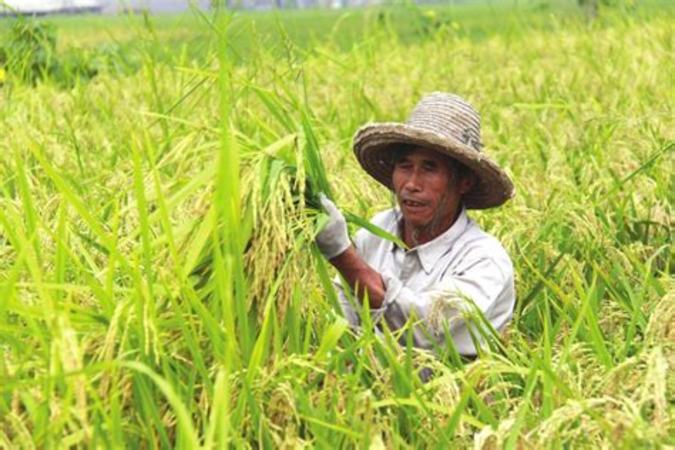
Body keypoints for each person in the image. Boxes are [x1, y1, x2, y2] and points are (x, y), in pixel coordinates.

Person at [315, 92, 516, 358]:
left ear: (464, 182)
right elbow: (344, 312)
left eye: (429, 168)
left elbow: (424, 328)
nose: (412, 184)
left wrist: (341, 253)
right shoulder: (379, 229)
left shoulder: (484, 259)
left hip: (450, 396)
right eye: (404, 166)